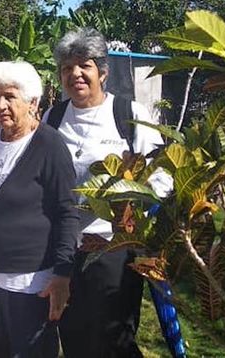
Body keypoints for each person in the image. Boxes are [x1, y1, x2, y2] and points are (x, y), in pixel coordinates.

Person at [47, 28, 168, 358]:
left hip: (114, 247)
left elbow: (161, 175)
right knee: (73, 331)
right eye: (67, 68)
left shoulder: (128, 114)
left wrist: (134, 208)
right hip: (66, 249)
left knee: (115, 334)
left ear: (102, 71)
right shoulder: (53, 117)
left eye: (84, 66)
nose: (75, 75)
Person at [0, 61, 79, 358]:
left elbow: (67, 211)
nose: (1, 105)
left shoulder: (49, 145)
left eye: (10, 96)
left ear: (32, 102)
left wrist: (63, 275)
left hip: (32, 286)